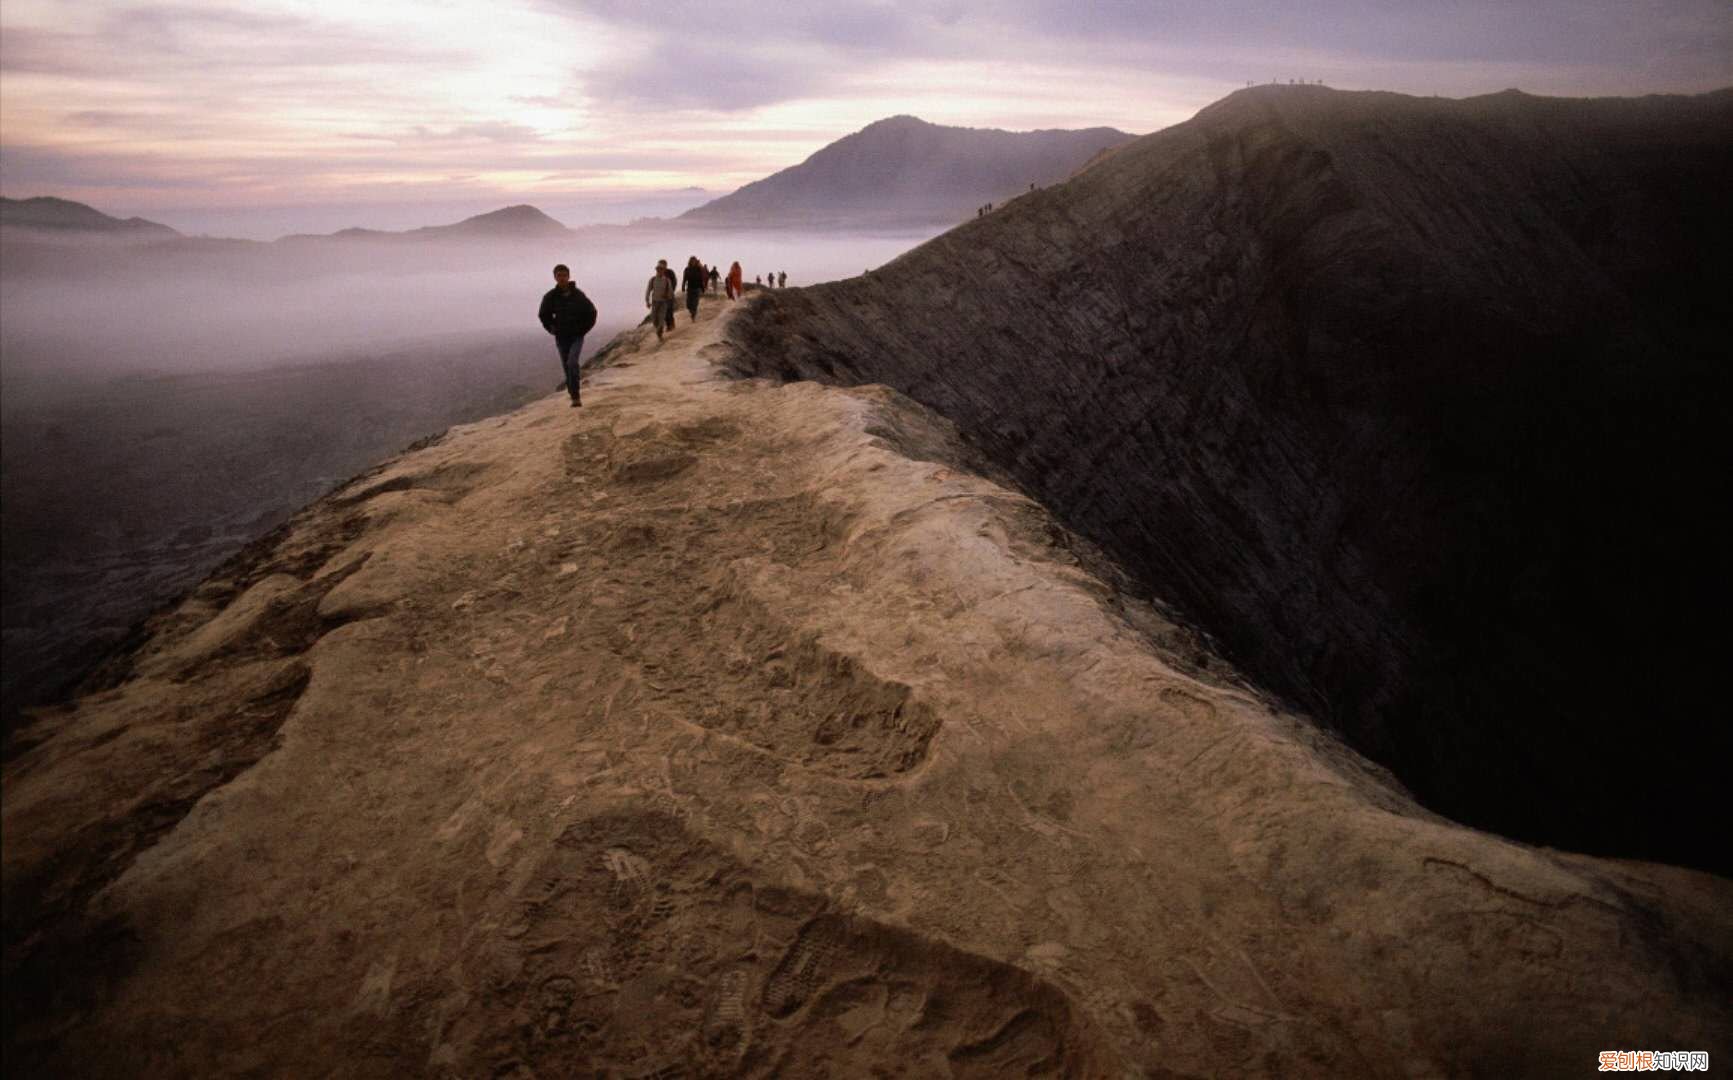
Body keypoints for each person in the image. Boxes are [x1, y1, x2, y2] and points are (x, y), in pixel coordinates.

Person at [538, 263, 597, 408]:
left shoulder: (578, 295)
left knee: (572, 362)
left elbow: (592, 312)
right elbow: (543, 314)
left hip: (577, 335)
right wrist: (552, 328)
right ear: (555, 277)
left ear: (569, 276)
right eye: (559, 276)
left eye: (564, 275)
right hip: (561, 336)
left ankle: (576, 396)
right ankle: (573, 396)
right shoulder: (551, 296)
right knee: (566, 366)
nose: (562, 278)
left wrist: (583, 329)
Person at [645, 258, 677, 342]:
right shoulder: (652, 280)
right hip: (655, 302)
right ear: (656, 270)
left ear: (664, 270)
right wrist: (647, 301)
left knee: (662, 319)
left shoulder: (667, 280)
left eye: (662, 269)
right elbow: (648, 290)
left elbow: (670, 291)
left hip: (663, 303)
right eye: (658, 269)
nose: (660, 271)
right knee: (654, 320)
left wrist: (671, 299)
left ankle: (660, 335)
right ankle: (659, 331)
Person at [681, 256, 706, 323]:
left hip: (697, 288)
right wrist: (683, 286)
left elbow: (701, 279)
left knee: (695, 303)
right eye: (692, 261)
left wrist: (703, 288)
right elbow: (684, 279)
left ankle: (693, 316)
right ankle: (692, 312)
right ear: (690, 262)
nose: (693, 262)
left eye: (694, 261)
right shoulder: (687, 269)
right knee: (688, 304)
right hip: (689, 288)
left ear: (695, 262)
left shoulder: (699, 269)